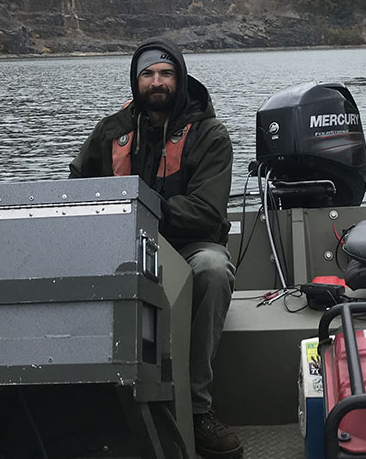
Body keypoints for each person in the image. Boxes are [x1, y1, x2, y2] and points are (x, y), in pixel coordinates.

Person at [69, 37, 242, 459]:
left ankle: (197, 410)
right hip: (123, 246)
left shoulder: (210, 135)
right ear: (136, 80)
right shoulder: (111, 131)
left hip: (188, 246)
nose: (157, 81)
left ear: (179, 78)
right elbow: (76, 190)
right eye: (148, 73)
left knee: (214, 269)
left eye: (165, 73)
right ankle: (90, 403)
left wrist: (141, 207)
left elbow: (205, 211)